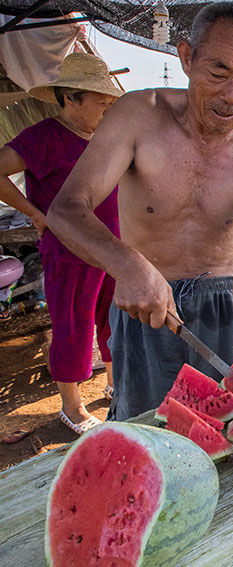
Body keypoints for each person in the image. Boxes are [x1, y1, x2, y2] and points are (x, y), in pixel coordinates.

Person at [47, 2, 233, 421]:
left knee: (229, 434)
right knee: (144, 434)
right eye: (217, 72)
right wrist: (130, 265)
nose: (232, 95)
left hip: (227, 307)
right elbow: (67, 209)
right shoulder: (138, 116)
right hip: (144, 306)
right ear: (186, 58)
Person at [0, 53, 122, 434]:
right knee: (73, 324)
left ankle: (116, 384)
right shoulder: (45, 136)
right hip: (70, 250)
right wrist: (35, 214)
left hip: (113, 248)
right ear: (70, 98)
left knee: (113, 318)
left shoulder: (106, 136)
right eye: (101, 101)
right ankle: (72, 407)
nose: (108, 108)